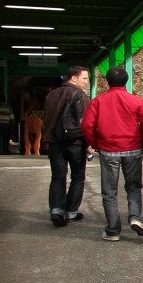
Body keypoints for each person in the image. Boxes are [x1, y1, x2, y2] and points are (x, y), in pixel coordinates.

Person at [81, 65, 143, 241]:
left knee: (109, 191)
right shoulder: (135, 101)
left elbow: (87, 126)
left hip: (108, 150)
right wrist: (140, 140)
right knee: (133, 186)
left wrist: (95, 143)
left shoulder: (98, 101)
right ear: (126, 81)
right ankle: (135, 217)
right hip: (132, 149)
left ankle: (113, 230)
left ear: (107, 81)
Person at [41, 65, 90, 227]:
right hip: (75, 142)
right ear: (73, 78)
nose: (86, 82)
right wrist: (89, 143)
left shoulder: (51, 95)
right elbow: (84, 122)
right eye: (84, 78)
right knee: (77, 177)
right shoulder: (79, 95)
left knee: (57, 177)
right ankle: (71, 212)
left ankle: (56, 210)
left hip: (54, 142)